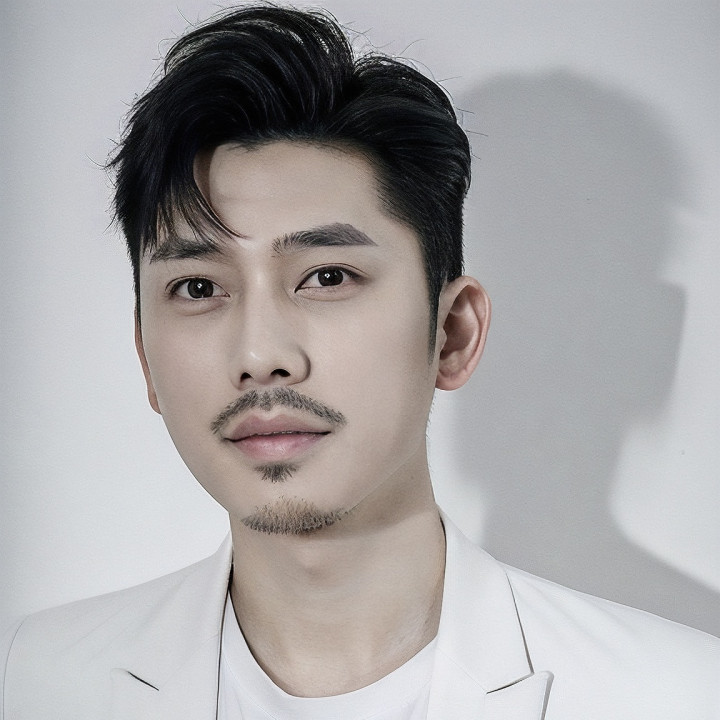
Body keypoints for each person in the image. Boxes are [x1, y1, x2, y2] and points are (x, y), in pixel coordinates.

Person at [1, 5, 718, 719]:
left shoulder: (673, 695)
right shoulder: (37, 679)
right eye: (198, 288)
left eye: (328, 277)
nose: (260, 356)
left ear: (453, 333)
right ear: (145, 357)